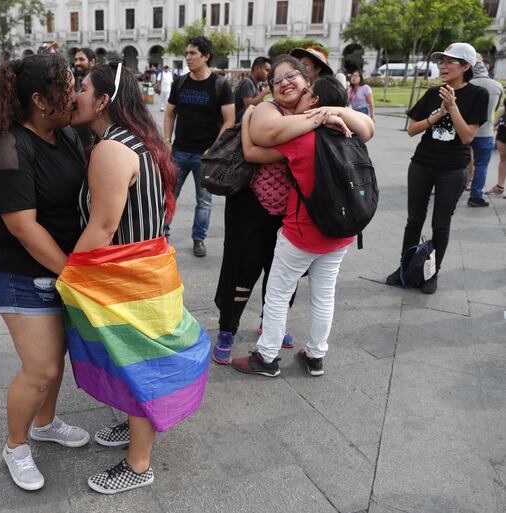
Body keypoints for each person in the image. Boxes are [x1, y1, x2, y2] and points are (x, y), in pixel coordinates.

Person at [65, 62, 210, 494]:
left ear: (104, 100)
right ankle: (135, 429)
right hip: (148, 269)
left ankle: (139, 463)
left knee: (139, 363)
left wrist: (69, 273)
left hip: (125, 275)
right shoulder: (143, 141)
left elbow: (104, 226)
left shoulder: (110, 149)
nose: (75, 95)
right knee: (138, 357)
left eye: (83, 87)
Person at [0, 54, 90, 492]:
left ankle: (44, 424)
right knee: (42, 368)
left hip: (60, 269)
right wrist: (72, 271)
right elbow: (22, 225)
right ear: (39, 99)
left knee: (57, 358)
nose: (73, 94)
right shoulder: (10, 146)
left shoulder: (64, 132)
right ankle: (15, 445)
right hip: (19, 272)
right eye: (68, 87)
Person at [230, 76, 374, 377]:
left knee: (278, 293)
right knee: (324, 295)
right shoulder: (352, 135)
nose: (301, 97)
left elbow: (253, 153)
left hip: (302, 233)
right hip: (341, 233)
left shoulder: (302, 138)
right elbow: (368, 127)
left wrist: (246, 120)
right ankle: (316, 355)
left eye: (307, 94)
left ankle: (267, 357)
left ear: (316, 103)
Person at [386, 43, 488, 294]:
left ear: (466, 66)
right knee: (413, 220)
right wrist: (437, 113)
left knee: (440, 224)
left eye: (449, 62)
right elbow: (411, 130)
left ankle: (431, 273)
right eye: (441, 61)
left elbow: (466, 137)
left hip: (452, 168)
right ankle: (405, 267)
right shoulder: (434, 93)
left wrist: (452, 108)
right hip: (422, 163)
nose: (442, 66)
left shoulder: (478, 95)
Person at [163, 35, 235, 257]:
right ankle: (162, 237)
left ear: (206, 56)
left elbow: (229, 120)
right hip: (179, 151)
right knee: (169, 196)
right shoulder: (180, 82)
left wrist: (214, 149)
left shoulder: (220, 85)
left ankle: (199, 239)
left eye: (193, 53)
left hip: (205, 157)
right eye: (187, 53)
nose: (188, 57)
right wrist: (166, 141)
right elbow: (169, 113)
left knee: (204, 200)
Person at [467, 58, 503, 207]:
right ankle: (475, 196)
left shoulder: (467, 85)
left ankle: (450, 190)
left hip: (465, 129)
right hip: (486, 131)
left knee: (458, 162)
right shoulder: (497, 86)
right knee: (481, 165)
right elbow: (495, 109)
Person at [72, 48, 97, 150]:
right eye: (76, 60)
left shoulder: (100, 83)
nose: (77, 63)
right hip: (78, 138)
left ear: (92, 62)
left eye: (81, 59)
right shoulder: (74, 81)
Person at [485, 98, 506, 198]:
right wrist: (494, 125)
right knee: (503, 159)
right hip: (503, 131)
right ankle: (499, 187)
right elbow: (504, 109)